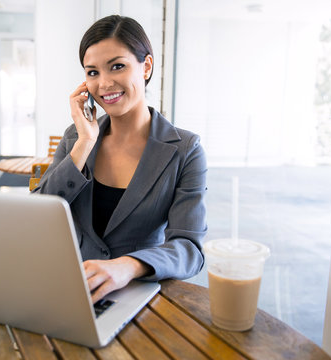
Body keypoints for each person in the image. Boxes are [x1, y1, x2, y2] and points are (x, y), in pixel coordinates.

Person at [34, 15, 207, 303]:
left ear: (146, 66)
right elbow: (38, 216)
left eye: (117, 66)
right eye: (92, 72)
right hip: (72, 289)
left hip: (139, 295)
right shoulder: (75, 138)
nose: (104, 84)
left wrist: (128, 266)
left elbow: (190, 248)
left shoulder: (185, 149)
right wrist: (85, 142)